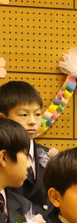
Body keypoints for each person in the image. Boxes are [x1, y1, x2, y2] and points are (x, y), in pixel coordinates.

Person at [0, 81, 53, 216]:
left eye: (37, 114)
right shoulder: (4, 155)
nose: (32, 121)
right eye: (24, 115)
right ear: (3, 118)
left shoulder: (50, 155)